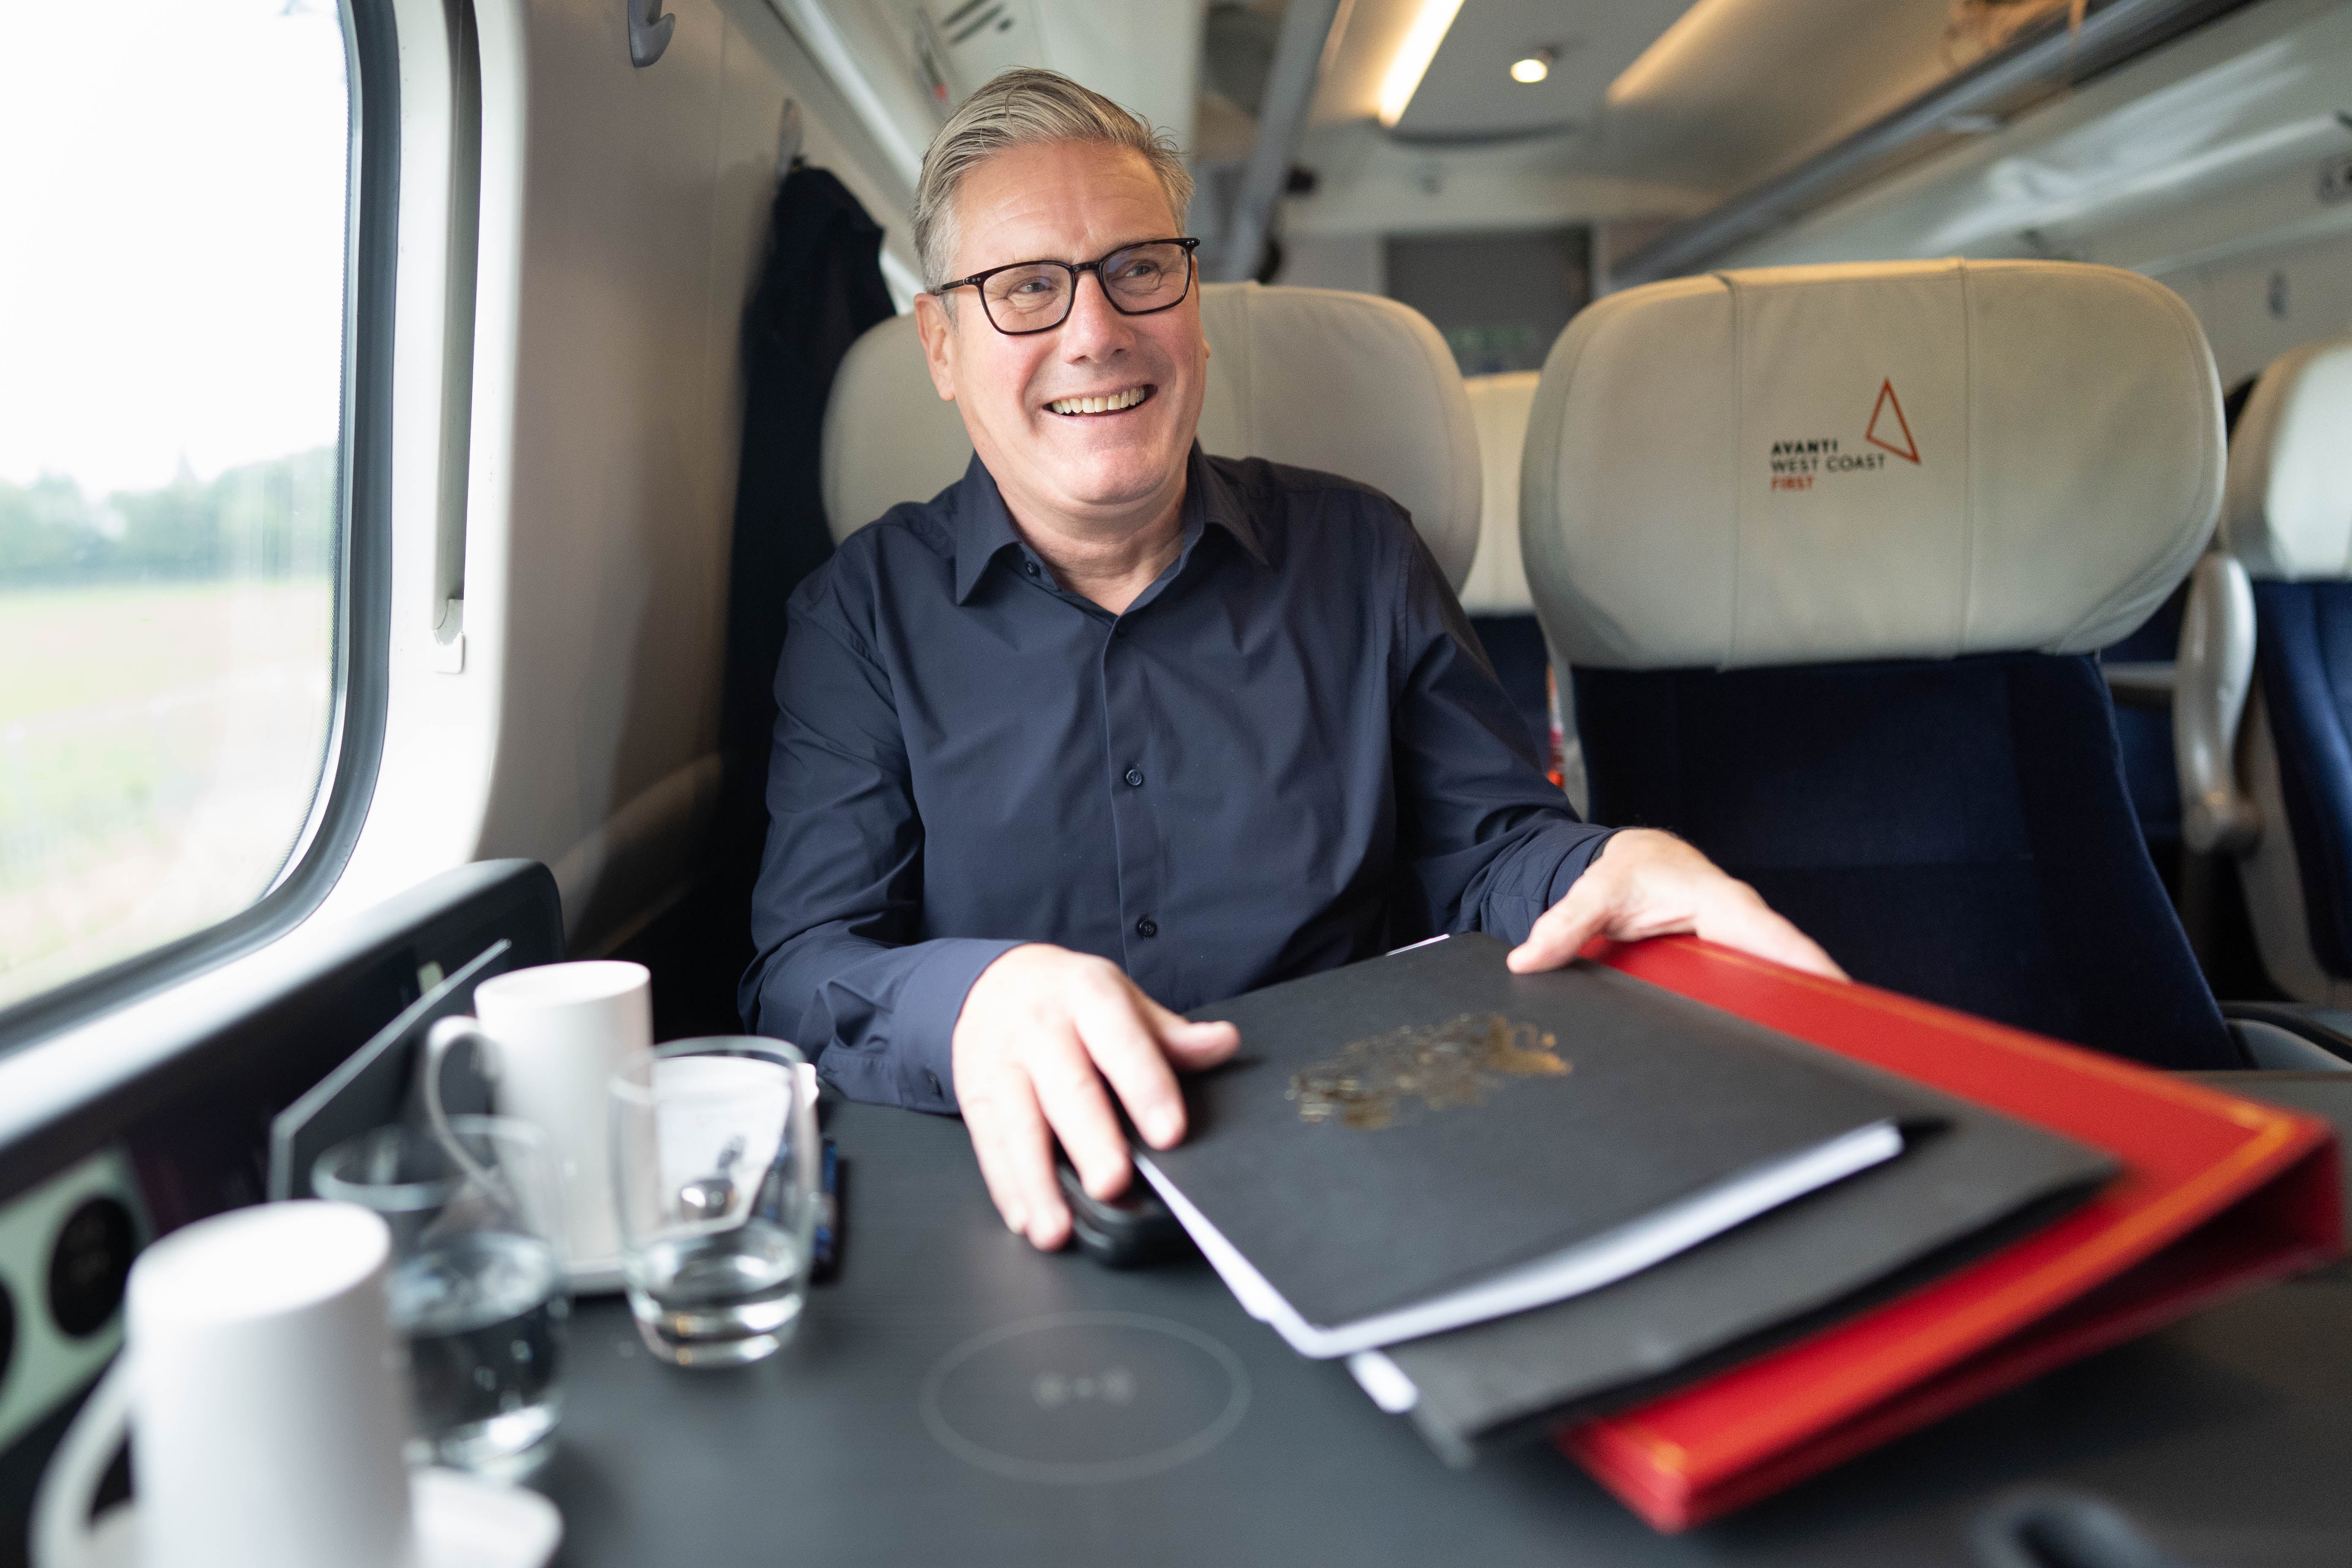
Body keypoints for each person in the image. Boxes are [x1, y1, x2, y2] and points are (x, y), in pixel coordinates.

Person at [741, 68, 1842, 1253]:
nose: (1095, 331)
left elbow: (1488, 852)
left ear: (1192, 301)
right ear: (942, 347)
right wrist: (970, 1003)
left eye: (1138, 268)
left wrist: (1605, 863)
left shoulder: (1362, 553)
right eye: (1024, 291)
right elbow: (803, 972)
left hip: (1373, 1164)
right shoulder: (856, 617)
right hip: (1027, 1212)